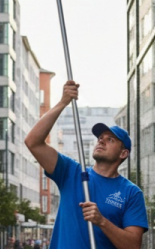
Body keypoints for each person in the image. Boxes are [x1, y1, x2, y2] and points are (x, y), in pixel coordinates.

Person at [25, 80, 148, 249]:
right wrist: (63, 102)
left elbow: (133, 246)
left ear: (123, 153)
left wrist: (102, 221)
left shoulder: (131, 193)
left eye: (110, 140)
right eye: (100, 138)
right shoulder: (71, 172)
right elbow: (33, 142)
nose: (101, 141)